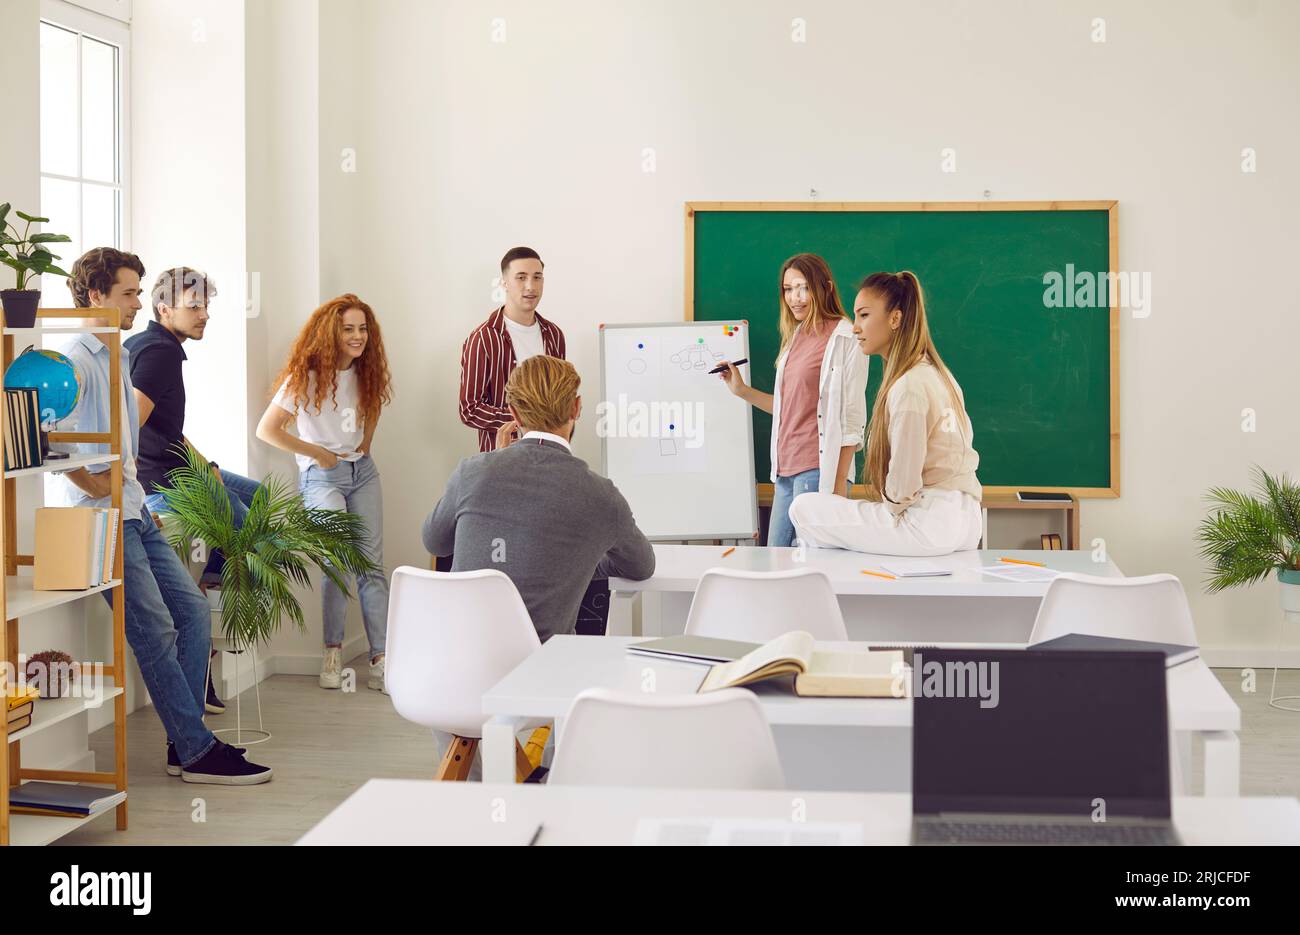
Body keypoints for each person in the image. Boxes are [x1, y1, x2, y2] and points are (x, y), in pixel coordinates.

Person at [53, 247, 271, 784]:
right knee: (153, 630)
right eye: (128, 293)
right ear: (95, 295)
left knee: (193, 615)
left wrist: (129, 491)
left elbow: (136, 436)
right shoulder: (75, 360)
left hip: (136, 510)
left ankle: (187, 742)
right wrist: (99, 486)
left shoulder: (119, 354)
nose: (136, 303)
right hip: (99, 519)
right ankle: (197, 750)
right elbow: (50, 442)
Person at [425, 354, 655, 642]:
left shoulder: (472, 471)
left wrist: (495, 458)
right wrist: (573, 564)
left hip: (457, 661)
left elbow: (435, 542)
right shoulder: (602, 495)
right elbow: (641, 567)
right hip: (540, 672)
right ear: (576, 407)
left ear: (514, 414)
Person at [125, 267, 263, 715]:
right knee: (246, 521)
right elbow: (131, 424)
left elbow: (163, 427)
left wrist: (207, 465)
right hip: (164, 482)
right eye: (194, 306)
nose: (204, 315)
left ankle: (209, 576)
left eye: (206, 306)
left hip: (182, 468)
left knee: (258, 496)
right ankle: (208, 587)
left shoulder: (150, 346)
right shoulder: (159, 353)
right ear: (164, 309)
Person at [789, 271, 982, 555]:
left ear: (895, 319)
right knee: (842, 521)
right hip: (968, 521)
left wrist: (887, 511)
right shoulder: (942, 376)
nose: (855, 328)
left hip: (929, 523)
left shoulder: (908, 386)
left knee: (803, 507)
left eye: (864, 315)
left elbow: (903, 486)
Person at [255, 294, 393, 692]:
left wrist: (365, 443)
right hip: (322, 477)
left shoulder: (367, 371)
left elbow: (374, 407)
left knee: (371, 567)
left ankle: (380, 659)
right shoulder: (306, 376)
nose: (357, 336)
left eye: (362, 328)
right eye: (348, 328)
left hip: (362, 473)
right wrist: (316, 452)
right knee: (336, 564)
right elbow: (268, 430)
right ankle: (331, 652)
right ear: (331, 332)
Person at [718, 253, 868, 546]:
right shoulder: (796, 336)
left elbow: (852, 417)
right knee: (775, 560)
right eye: (788, 289)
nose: (795, 298)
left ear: (824, 287)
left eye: (803, 288)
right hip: (784, 470)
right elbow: (789, 409)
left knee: (807, 569)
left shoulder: (846, 337)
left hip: (817, 469)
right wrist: (742, 391)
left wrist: (837, 486)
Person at [458, 246, 565, 453]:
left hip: (551, 457)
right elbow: (469, 410)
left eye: (537, 277)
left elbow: (559, 398)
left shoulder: (554, 335)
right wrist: (524, 420)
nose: (530, 286)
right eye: (521, 277)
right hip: (504, 461)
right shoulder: (484, 338)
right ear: (504, 283)